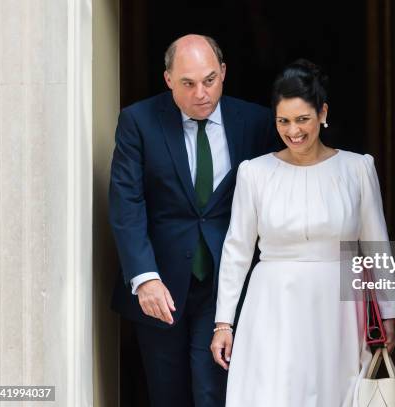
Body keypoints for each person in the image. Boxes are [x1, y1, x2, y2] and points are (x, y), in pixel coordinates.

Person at [210, 59, 395, 406]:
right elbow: (236, 250)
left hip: (339, 308)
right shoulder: (255, 173)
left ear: (322, 113)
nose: (293, 131)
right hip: (272, 305)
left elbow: (375, 246)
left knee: (336, 393)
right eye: (283, 121)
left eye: (302, 119)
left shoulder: (357, 168)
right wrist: (223, 323)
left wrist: (388, 313)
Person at [109, 34, 280, 407]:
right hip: (160, 287)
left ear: (223, 72)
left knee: (213, 392)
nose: (200, 93)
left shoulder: (256, 122)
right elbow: (127, 202)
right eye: (187, 83)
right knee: (167, 394)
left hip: (225, 284)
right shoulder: (138, 121)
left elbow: (277, 197)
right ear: (168, 78)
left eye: (209, 80)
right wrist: (144, 276)